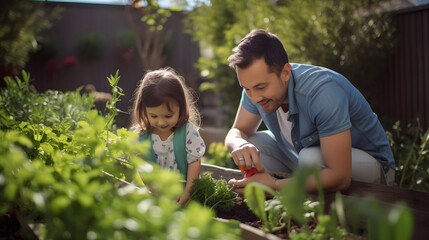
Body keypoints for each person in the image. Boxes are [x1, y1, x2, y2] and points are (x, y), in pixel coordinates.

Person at [225, 29, 395, 194]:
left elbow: (340, 176)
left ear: (285, 72)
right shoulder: (255, 87)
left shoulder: (322, 91)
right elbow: (237, 131)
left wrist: (275, 185)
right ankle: (288, 195)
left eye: (260, 87)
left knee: (310, 158)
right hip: (306, 161)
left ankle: (284, 190)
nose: (254, 98)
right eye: (246, 88)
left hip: (372, 168)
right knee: (254, 144)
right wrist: (240, 144)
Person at [131, 67, 206, 205]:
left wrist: (188, 192)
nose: (161, 122)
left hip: (187, 195)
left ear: (181, 108)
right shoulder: (141, 137)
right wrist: (157, 194)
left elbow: (194, 162)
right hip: (157, 197)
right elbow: (143, 170)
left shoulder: (187, 132)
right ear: (144, 110)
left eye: (168, 115)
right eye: (154, 116)